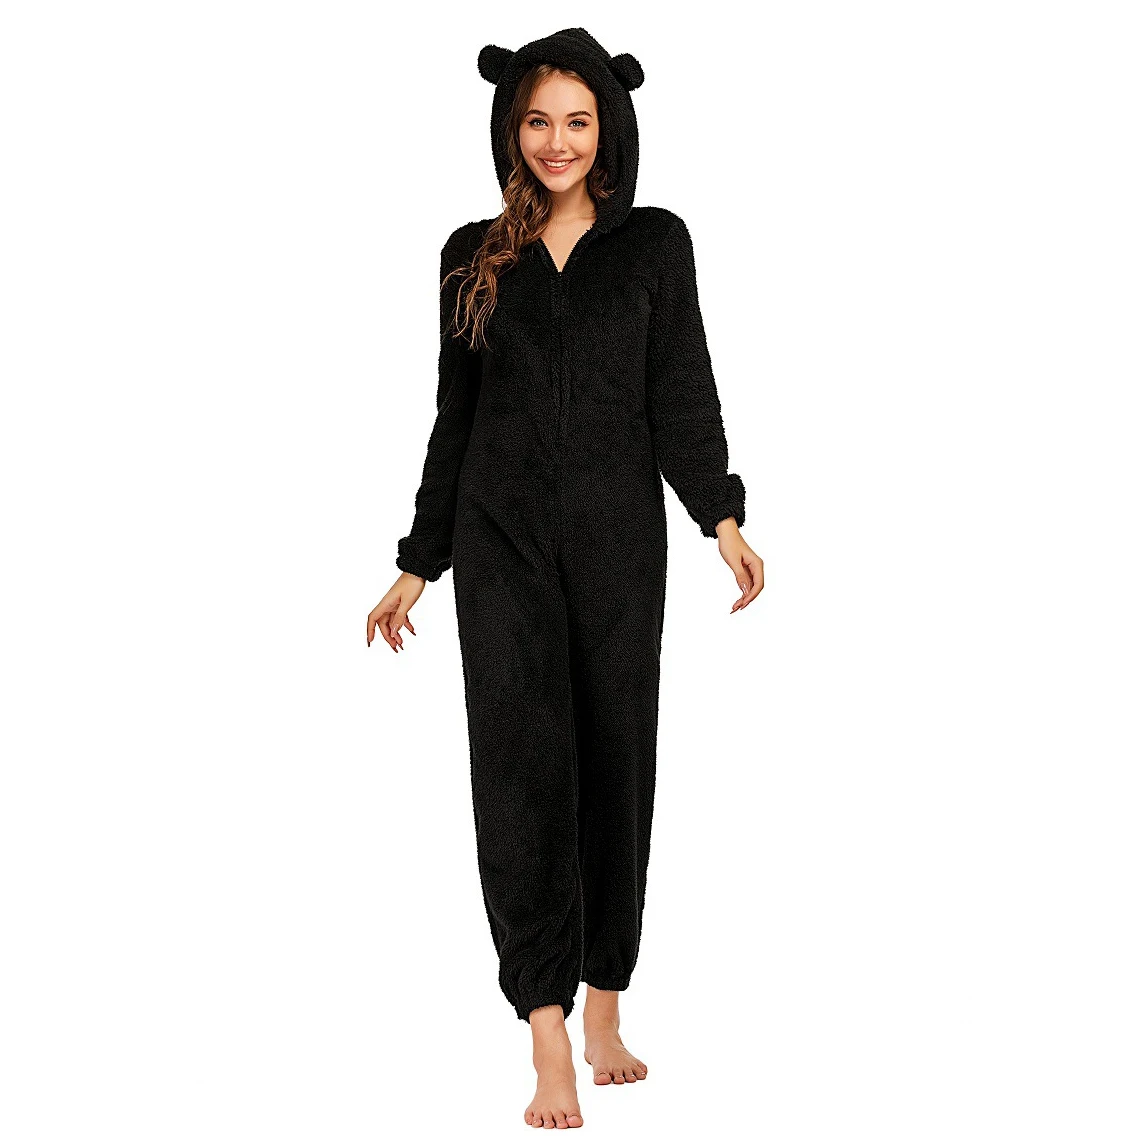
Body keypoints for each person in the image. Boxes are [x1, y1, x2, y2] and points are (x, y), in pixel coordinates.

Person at [367, 27, 764, 1130]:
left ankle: (604, 1006)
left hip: (619, 546)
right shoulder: (472, 257)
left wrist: (721, 514)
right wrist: (418, 561)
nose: (557, 141)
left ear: (609, 128)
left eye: (578, 121)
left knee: (615, 761)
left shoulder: (654, 246)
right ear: (511, 126)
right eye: (538, 120)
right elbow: (456, 418)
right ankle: (545, 1032)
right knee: (518, 771)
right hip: (499, 547)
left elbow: (682, 387)